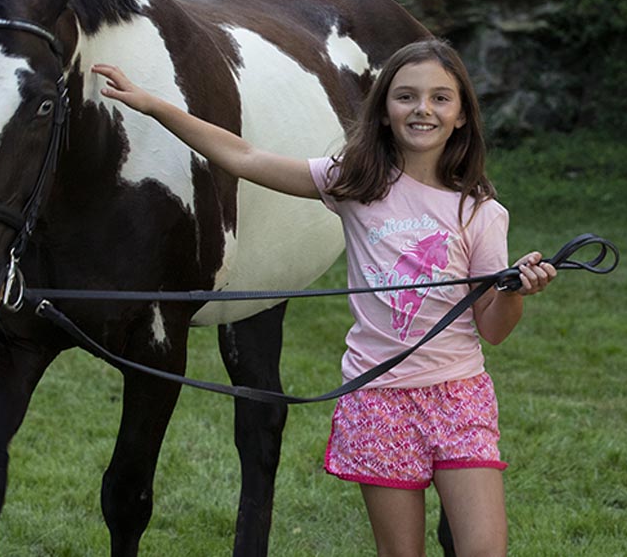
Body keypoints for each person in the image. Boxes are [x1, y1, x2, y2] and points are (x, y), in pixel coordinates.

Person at [92, 37, 556, 557]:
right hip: (378, 400)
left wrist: (516, 292)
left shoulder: (481, 213)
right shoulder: (355, 184)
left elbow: (493, 328)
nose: (422, 109)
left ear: (462, 115)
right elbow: (244, 156)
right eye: (406, 96)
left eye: (440, 98)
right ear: (383, 111)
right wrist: (154, 105)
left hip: (458, 396)